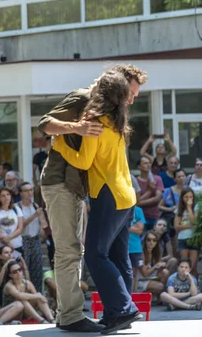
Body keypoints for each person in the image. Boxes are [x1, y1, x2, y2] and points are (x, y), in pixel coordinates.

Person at [38, 64, 147, 333]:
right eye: (128, 94)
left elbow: (85, 161)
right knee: (94, 253)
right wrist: (75, 127)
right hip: (99, 189)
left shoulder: (105, 118)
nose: (131, 100)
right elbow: (44, 124)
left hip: (101, 192)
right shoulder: (98, 112)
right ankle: (101, 313)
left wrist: (62, 144)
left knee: (94, 254)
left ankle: (120, 310)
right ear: (117, 89)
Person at [18, 182, 45, 293]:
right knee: (24, 268)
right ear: (21, 193)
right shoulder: (17, 207)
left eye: (31, 190)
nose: (30, 193)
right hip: (23, 239)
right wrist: (34, 215)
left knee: (37, 270)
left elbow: (42, 223)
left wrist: (43, 230)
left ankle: (37, 295)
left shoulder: (35, 206)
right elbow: (20, 225)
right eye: (26, 190)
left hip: (35, 239)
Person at [0, 187, 24, 259]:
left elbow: (20, 228)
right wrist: (7, 243)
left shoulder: (17, 209)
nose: (6, 197)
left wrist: (9, 238)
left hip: (16, 245)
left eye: (8, 195)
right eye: (3, 196)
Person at [134, 231, 171, 295]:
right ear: (145, 241)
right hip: (139, 280)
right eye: (149, 240)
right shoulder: (141, 253)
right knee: (160, 286)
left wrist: (160, 267)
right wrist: (156, 266)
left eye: (154, 240)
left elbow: (155, 269)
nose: (151, 242)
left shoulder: (157, 252)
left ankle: (159, 296)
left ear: (157, 242)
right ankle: (141, 296)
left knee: (165, 272)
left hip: (149, 277)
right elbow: (144, 274)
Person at [174, 187, 199, 278]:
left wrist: (189, 208)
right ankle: (184, 284)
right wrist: (190, 227)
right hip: (182, 239)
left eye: (191, 197)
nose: (189, 199)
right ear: (182, 198)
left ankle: (195, 286)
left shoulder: (196, 207)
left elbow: (194, 221)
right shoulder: (179, 209)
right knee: (184, 264)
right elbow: (176, 226)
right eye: (186, 197)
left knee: (193, 265)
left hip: (193, 239)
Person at [134, 157, 164, 230]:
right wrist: (150, 191)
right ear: (139, 167)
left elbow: (157, 198)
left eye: (149, 163)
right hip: (140, 217)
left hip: (155, 215)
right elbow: (135, 201)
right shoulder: (135, 181)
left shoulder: (157, 179)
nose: (148, 165)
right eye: (145, 163)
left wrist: (139, 202)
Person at [128, 205, 146, 291]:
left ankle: (131, 296)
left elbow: (139, 230)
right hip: (121, 246)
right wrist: (133, 227)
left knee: (133, 274)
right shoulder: (118, 208)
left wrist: (124, 227)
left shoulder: (138, 210)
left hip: (135, 247)